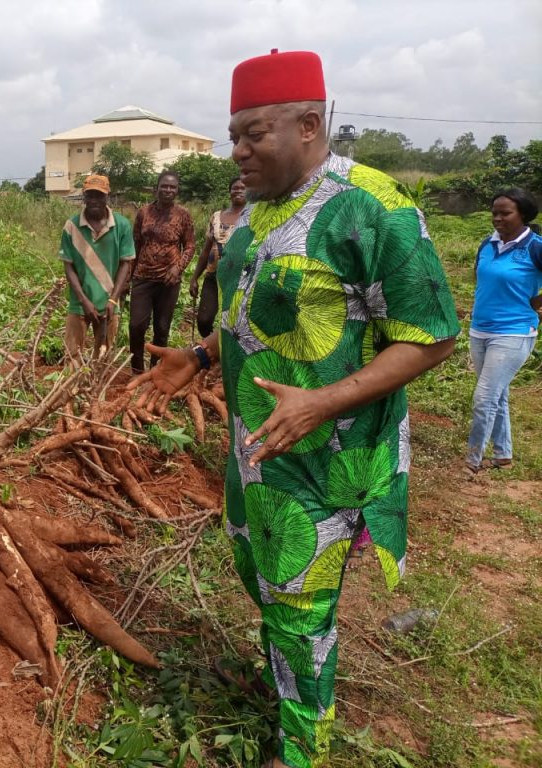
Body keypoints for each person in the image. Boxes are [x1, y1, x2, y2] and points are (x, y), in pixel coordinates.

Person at [129, 49, 460, 768]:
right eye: (233, 135)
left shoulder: (374, 209)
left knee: (305, 611)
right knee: (268, 585)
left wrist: (323, 402)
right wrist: (203, 356)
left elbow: (431, 337)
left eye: (253, 134)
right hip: (259, 453)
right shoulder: (253, 220)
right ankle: (283, 688)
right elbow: (250, 314)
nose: (237, 151)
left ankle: (301, 751)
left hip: (327, 464)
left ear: (309, 124)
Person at [465, 189, 542, 473]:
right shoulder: (488, 243)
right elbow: (479, 276)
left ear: (523, 214)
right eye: (494, 212)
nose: (497, 218)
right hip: (480, 330)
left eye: (505, 213)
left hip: (515, 331)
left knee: (484, 398)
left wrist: (538, 301)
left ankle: (472, 462)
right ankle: (503, 453)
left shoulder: (535, 246)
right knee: (498, 393)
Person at [59, 173, 135, 360]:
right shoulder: (71, 227)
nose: (94, 200)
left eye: (99, 195)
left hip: (109, 303)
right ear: (83, 196)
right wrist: (84, 301)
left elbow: (125, 264)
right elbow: (69, 268)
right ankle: (73, 389)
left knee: (103, 356)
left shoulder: (122, 225)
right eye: (90, 195)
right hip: (79, 303)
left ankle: (97, 388)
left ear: (107, 196)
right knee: (73, 354)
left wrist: (113, 300)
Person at [129, 172, 195, 373]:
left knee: (162, 328)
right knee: (136, 326)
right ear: (156, 188)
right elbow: (136, 244)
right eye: (164, 186)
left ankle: (157, 370)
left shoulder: (183, 215)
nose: (168, 190)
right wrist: (128, 277)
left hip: (169, 280)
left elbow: (190, 246)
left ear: (177, 190)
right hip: (143, 277)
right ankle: (137, 370)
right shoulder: (144, 213)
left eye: (172, 187)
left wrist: (178, 268)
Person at [190, 177, 247, 336]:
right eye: (235, 188)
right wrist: (194, 278)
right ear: (229, 191)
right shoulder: (216, 216)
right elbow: (206, 251)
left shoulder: (252, 217)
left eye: (243, 188)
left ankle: (225, 355)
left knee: (233, 323)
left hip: (238, 279)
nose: (239, 191)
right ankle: (212, 352)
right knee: (204, 321)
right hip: (213, 277)